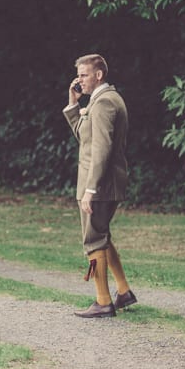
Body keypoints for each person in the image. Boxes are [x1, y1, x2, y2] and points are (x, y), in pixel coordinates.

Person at [63, 54, 136, 318]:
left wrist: (90, 189)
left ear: (98, 75)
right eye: (78, 75)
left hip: (100, 184)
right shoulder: (102, 100)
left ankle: (103, 301)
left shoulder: (105, 103)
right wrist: (73, 106)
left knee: (93, 239)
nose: (78, 80)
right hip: (104, 183)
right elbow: (86, 138)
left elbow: (101, 149)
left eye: (83, 75)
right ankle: (124, 292)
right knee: (102, 236)